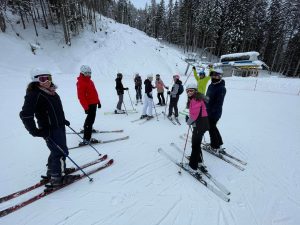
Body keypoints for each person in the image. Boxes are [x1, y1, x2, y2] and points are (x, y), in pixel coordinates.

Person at [20, 68, 75, 187]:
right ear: (36, 80)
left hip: (58, 126)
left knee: (57, 149)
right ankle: (57, 178)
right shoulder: (35, 94)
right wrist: (34, 130)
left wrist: (62, 120)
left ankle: (53, 171)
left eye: (49, 78)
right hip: (49, 129)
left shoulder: (51, 91)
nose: (47, 81)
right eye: (43, 79)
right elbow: (26, 114)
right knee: (61, 151)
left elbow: (55, 109)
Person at [185, 83, 209, 173]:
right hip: (200, 125)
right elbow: (194, 114)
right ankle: (199, 161)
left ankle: (193, 166)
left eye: (191, 90)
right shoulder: (195, 98)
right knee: (196, 144)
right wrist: (190, 119)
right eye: (188, 91)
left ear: (195, 91)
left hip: (200, 125)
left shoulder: (196, 100)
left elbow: (194, 116)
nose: (189, 92)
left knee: (195, 145)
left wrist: (188, 121)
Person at [77, 65, 101, 146]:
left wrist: (98, 101)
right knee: (90, 120)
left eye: (89, 73)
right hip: (89, 105)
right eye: (86, 73)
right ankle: (87, 138)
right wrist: (86, 107)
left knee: (90, 119)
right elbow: (81, 97)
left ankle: (87, 128)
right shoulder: (81, 82)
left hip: (94, 103)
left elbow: (95, 92)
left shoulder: (90, 81)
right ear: (82, 73)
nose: (88, 74)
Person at [206, 68, 226, 153]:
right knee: (213, 127)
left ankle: (214, 146)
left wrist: (210, 112)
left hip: (214, 113)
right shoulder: (211, 85)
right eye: (213, 75)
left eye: (216, 76)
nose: (214, 77)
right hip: (208, 110)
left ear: (220, 77)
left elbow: (218, 103)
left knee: (211, 128)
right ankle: (219, 142)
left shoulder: (221, 88)